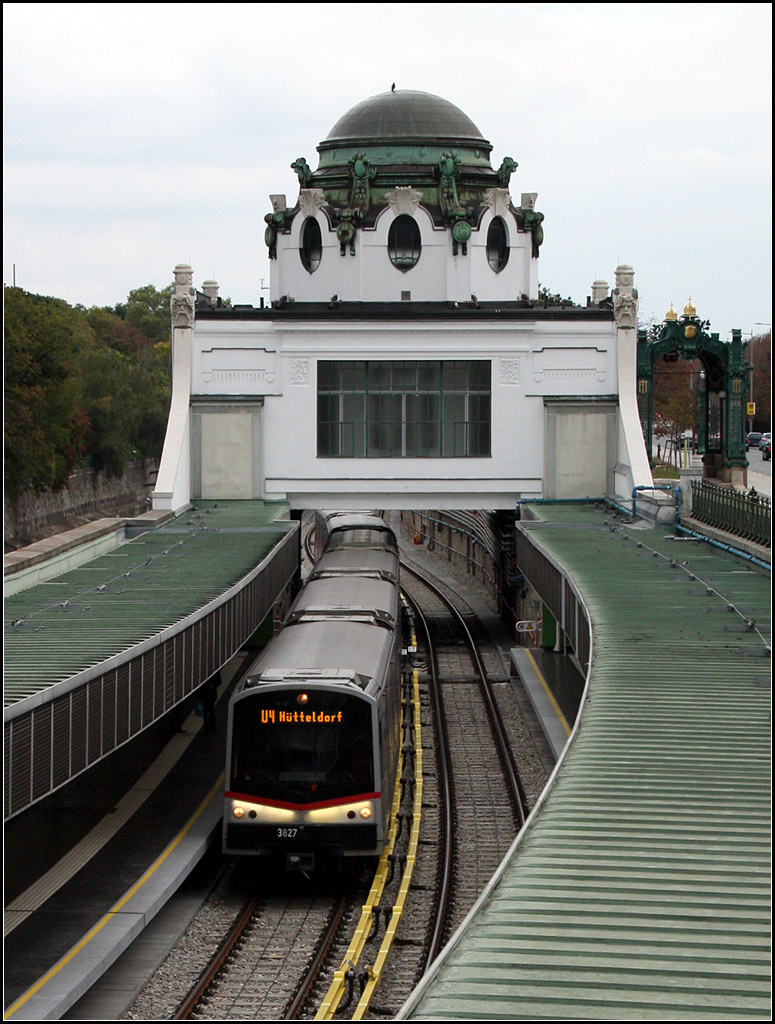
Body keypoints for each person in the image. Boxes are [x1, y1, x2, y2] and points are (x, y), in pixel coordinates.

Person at [200, 670, 220, 735]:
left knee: (206, 712)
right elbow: (219, 682)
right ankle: (213, 728)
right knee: (211, 711)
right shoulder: (215, 670)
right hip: (212, 694)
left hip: (204, 694)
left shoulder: (201, 671)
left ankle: (207, 729)